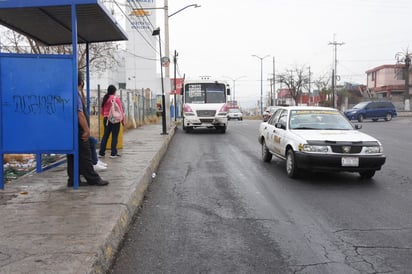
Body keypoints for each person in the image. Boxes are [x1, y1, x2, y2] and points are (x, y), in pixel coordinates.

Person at [66, 72, 109, 187]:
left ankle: (73, 179)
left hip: (70, 129)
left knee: (72, 155)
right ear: (81, 82)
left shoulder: (68, 93)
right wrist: (86, 129)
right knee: (85, 154)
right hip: (78, 130)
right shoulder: (75, 94)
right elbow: (79, 113)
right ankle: (93, 178)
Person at [99, 85, 124, 159]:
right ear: (114, 91)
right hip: (114, 119)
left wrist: (106, 116)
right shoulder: (116, 98)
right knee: (114, 136)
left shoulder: (105, 98)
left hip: (106, 119)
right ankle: (113, 153)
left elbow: (102, 110)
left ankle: (101, 153)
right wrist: (122, 120)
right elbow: (120, 110)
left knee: (105, 136)